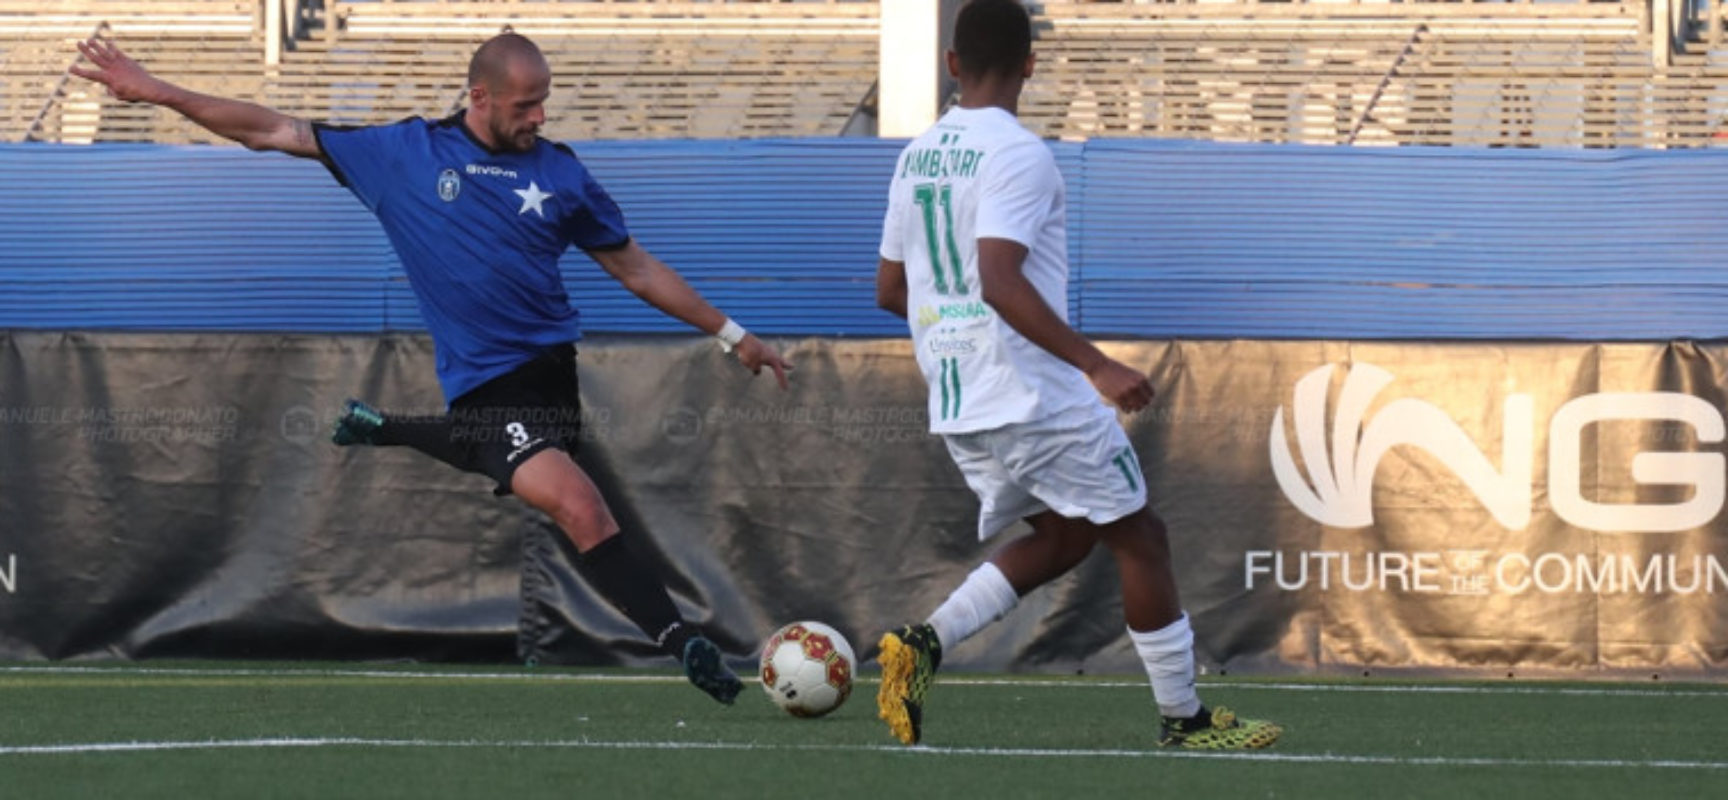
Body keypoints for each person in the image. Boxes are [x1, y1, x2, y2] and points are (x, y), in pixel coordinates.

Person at [71, 33, 793, 705]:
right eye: (524, 104)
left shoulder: (562, 172)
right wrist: (158, 90)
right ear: (478, 96)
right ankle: (685, 644)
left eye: (545, 101)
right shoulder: (404, 154)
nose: (539, 115)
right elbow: (271, 129)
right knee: (578, 504)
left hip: (550, 374)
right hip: (485, 376)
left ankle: (390, 428)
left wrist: (734, 335)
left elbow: (633, 267)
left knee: (514, 461)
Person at [872, 0, 1281, 748]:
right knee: (1142, 538)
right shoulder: (1020, 154)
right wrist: (1095, 364)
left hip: (961, 398)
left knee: (1065, 536)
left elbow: (890, 291)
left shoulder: (916, 154)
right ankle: (1183, 721)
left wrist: (952, 341)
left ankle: (920, 645)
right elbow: (999, 280)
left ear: (952, 63)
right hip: (1032, 394)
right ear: (1031, 64)